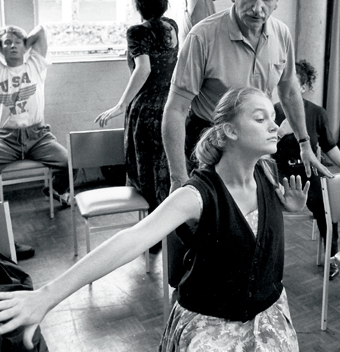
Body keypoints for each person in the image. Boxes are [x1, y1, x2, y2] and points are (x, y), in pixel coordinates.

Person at [0, 87, 310, 351]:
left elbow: (250, 233)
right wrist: (46, 296)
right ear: (230, 130)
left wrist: (288, 209)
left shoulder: (266, 174)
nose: (275, 125)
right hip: (213, 328)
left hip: (269, 320)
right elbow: (129, 240)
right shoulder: (197, 195)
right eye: (261, 118)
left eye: (273, 117)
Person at [161, 0, 332, 286]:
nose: (258, 7)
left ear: (277, 0)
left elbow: (290, 91)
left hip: (256, 147)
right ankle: (195, 302)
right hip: (211, 145)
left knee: (258, 233)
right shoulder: (203, 37)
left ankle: (252, 296)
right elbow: (176, 109)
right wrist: (177, 177)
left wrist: (305, 144)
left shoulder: (280, 34)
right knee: (207, 242)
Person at [95, 0, 178, 221]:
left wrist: (121, 105)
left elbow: (143, 69)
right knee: (168, 168)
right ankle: (169, 227)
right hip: (171, 104)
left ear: (139, 5)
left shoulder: (137, 32)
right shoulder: (172, 26)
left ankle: (152, 232)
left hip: (147, 110)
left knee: (147, 173)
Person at [0, 25, 71, 260]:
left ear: (25, 45)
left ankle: (54, 191)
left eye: (16, 43)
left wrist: (19, 42)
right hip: (6, 139)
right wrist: (9, 44)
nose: (11, 46)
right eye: (6, 43)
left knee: (68, 162)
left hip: (37, 136)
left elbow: (40, 30)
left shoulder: (35, 65)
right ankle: (5, 239)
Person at [274, 59, 340, 280]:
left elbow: (330, 147)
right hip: (281, 176)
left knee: (327, 207)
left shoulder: (317, 113)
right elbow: (262, 152)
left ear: (303, 87)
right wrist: (280, 133)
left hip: (311, 176)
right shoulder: (272, 111)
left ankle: (332, 257)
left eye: (294, 83)